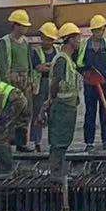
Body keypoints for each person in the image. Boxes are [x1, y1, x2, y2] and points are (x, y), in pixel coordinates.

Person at [0, 10, 38, 153]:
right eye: (23, 26)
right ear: (15, 25)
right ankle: (4, 143)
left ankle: (21, 143)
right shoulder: (5, 42)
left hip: (24, 81)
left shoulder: (26, 42)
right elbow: (2, 66)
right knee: (10, 112)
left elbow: (30, 63)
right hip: (12, 82)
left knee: (25, 113)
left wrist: (31, 81)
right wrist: (7, 87)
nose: (26, 28)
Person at [46, 23, 83, 176]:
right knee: (59, 141)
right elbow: (55, 83)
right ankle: (56, 174)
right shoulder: (62, 59)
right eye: (77, 38)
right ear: (70, 40)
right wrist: (52, 101)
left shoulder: (69, 60)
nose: (79, 41)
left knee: (64, 140)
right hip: (61, 106)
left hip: (68, 106)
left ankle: (59, 172)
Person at [77, 14, 106, 151]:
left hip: (105, 84)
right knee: (90, 113)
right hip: (90, 85)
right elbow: (79, 63)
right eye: (96, 30)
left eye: (100, 29)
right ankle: (89, 142)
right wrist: (86, 73)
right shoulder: (84, 45)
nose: (98, 32)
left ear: (104, 29)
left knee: (105, 113)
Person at [30, 20, 61, 150]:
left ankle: (53, 141)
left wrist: (48, 67)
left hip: (54, 84)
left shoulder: (58, 51)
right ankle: (35, 141)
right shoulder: (36, 52)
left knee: (53, 113)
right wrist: (48, 67)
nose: (46, 41)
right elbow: (38, 67)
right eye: (45, 38)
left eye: (49, 39)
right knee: (37, 113)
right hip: (40, 86)